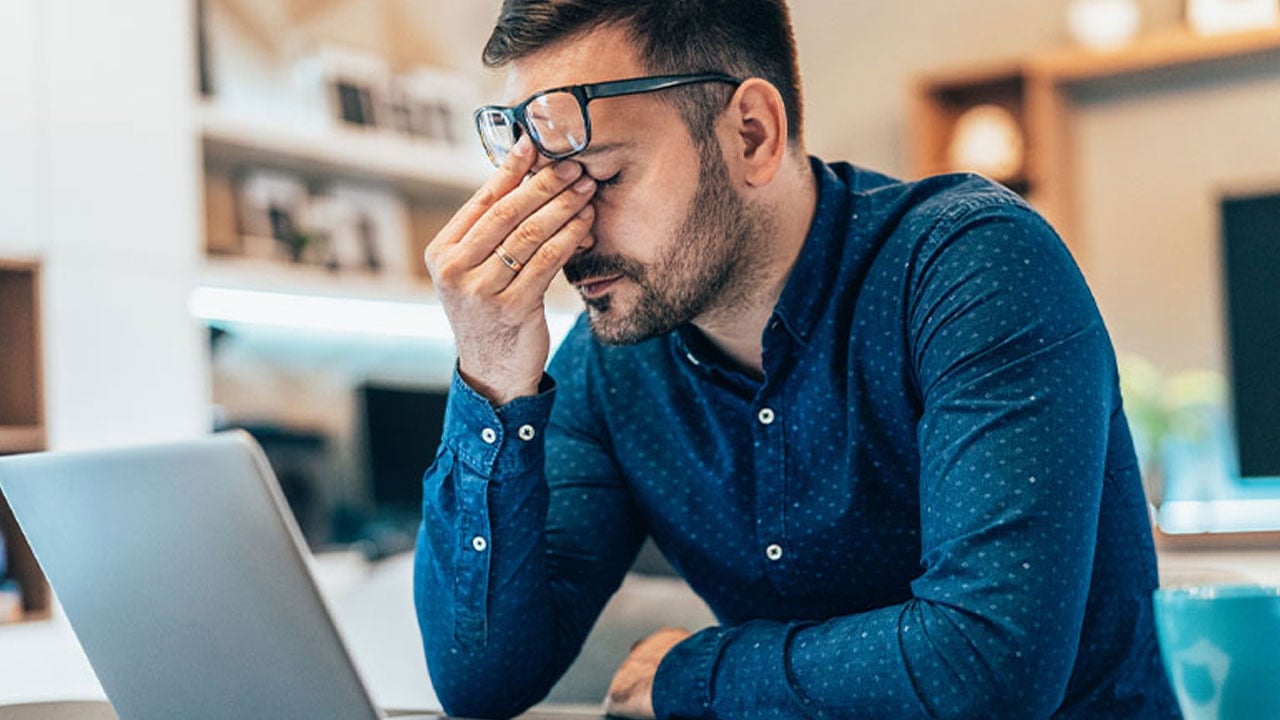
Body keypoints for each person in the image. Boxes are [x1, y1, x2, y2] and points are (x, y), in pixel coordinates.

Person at [415, 1, 1180, 718]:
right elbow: (482, 683)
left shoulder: (975, 268)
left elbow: (987, 666)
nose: (572, 235)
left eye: (607, 177)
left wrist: (696, 674)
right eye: (548, 189)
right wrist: (491, 374)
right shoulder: (613, 364)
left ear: (751, 133)